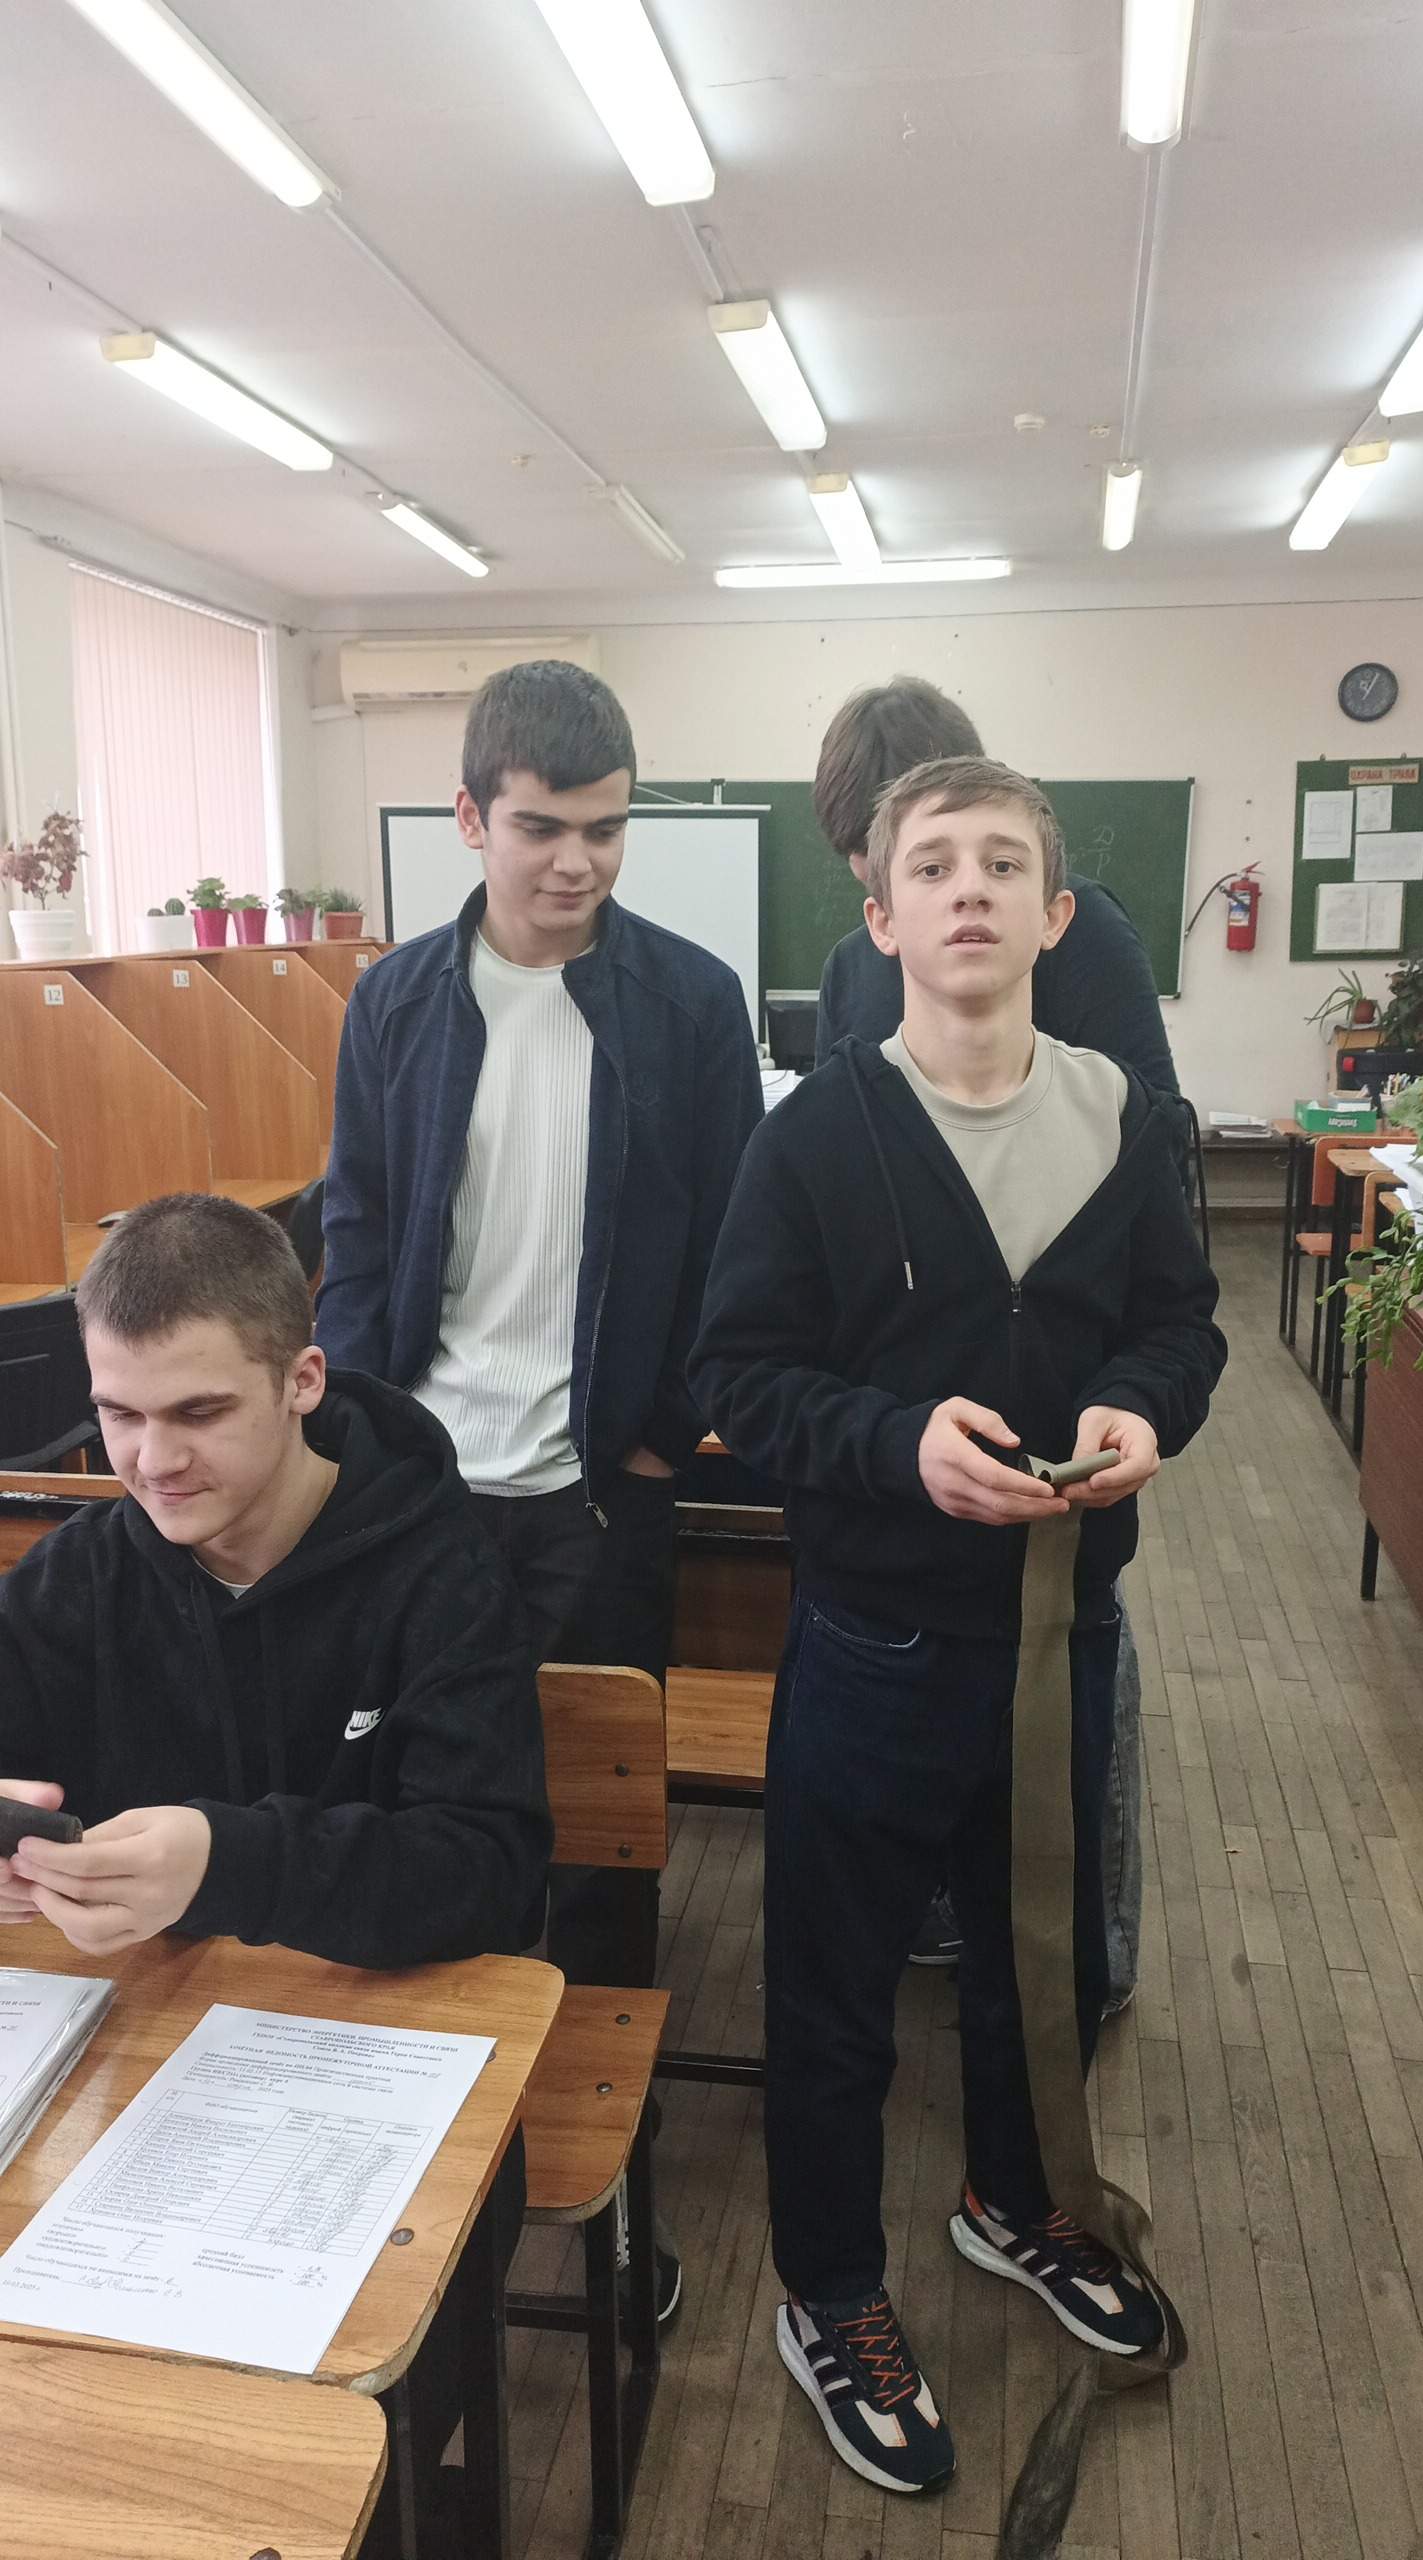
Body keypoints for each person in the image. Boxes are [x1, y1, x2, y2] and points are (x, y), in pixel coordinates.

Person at [690, 756, 1224, 2493]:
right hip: (876, 1647)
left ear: (1057, 916)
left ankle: (1018, 2200)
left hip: (1065, 1640)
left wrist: (1147, 1404)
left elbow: (1182, 1322)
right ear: (882, 917)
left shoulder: (1121, 1117)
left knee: (1035, 1963)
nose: (971, 887)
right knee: (839, 1992)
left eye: (1005, 863)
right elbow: (739, 1378)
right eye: (934, 865)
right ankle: (831, 2287)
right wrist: (896, 1445)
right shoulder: (815, 1136)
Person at [318, 659, 764, 2319]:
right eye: (541, 829)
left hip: (596, 1491)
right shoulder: (397, 1002)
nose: (576, 861)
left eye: (606, 830)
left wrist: (658, 1435)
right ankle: (432, 2174)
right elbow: (358, 1228)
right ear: (470, 819)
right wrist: (360, 1433)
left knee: (599, 1847)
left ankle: (612, 2209)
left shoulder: (689, 1004)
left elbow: (734, 1249)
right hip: (425, 1492)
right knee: (426, 1816)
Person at [812, 676, 1176, 1999]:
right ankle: (950, 1902)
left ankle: (1089, 1958)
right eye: (883, 866)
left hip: (1062, 1429)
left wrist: (1126, 1382)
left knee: (1076, 1685)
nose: (934, 894)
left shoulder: (1089, 942)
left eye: (968, 859)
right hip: (918, 1435)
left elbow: (1151, 1150)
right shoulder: (854, 969)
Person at [0, 1193, 551, 1970]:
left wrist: (229, 1865)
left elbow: (489, 1874)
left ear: (303, 1381)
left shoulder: (442, 1577)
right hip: (143, 2005)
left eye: (200, 1412)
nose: (155, 1462)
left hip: (367, 2012)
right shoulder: (72, 1575)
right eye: (119, 1415)